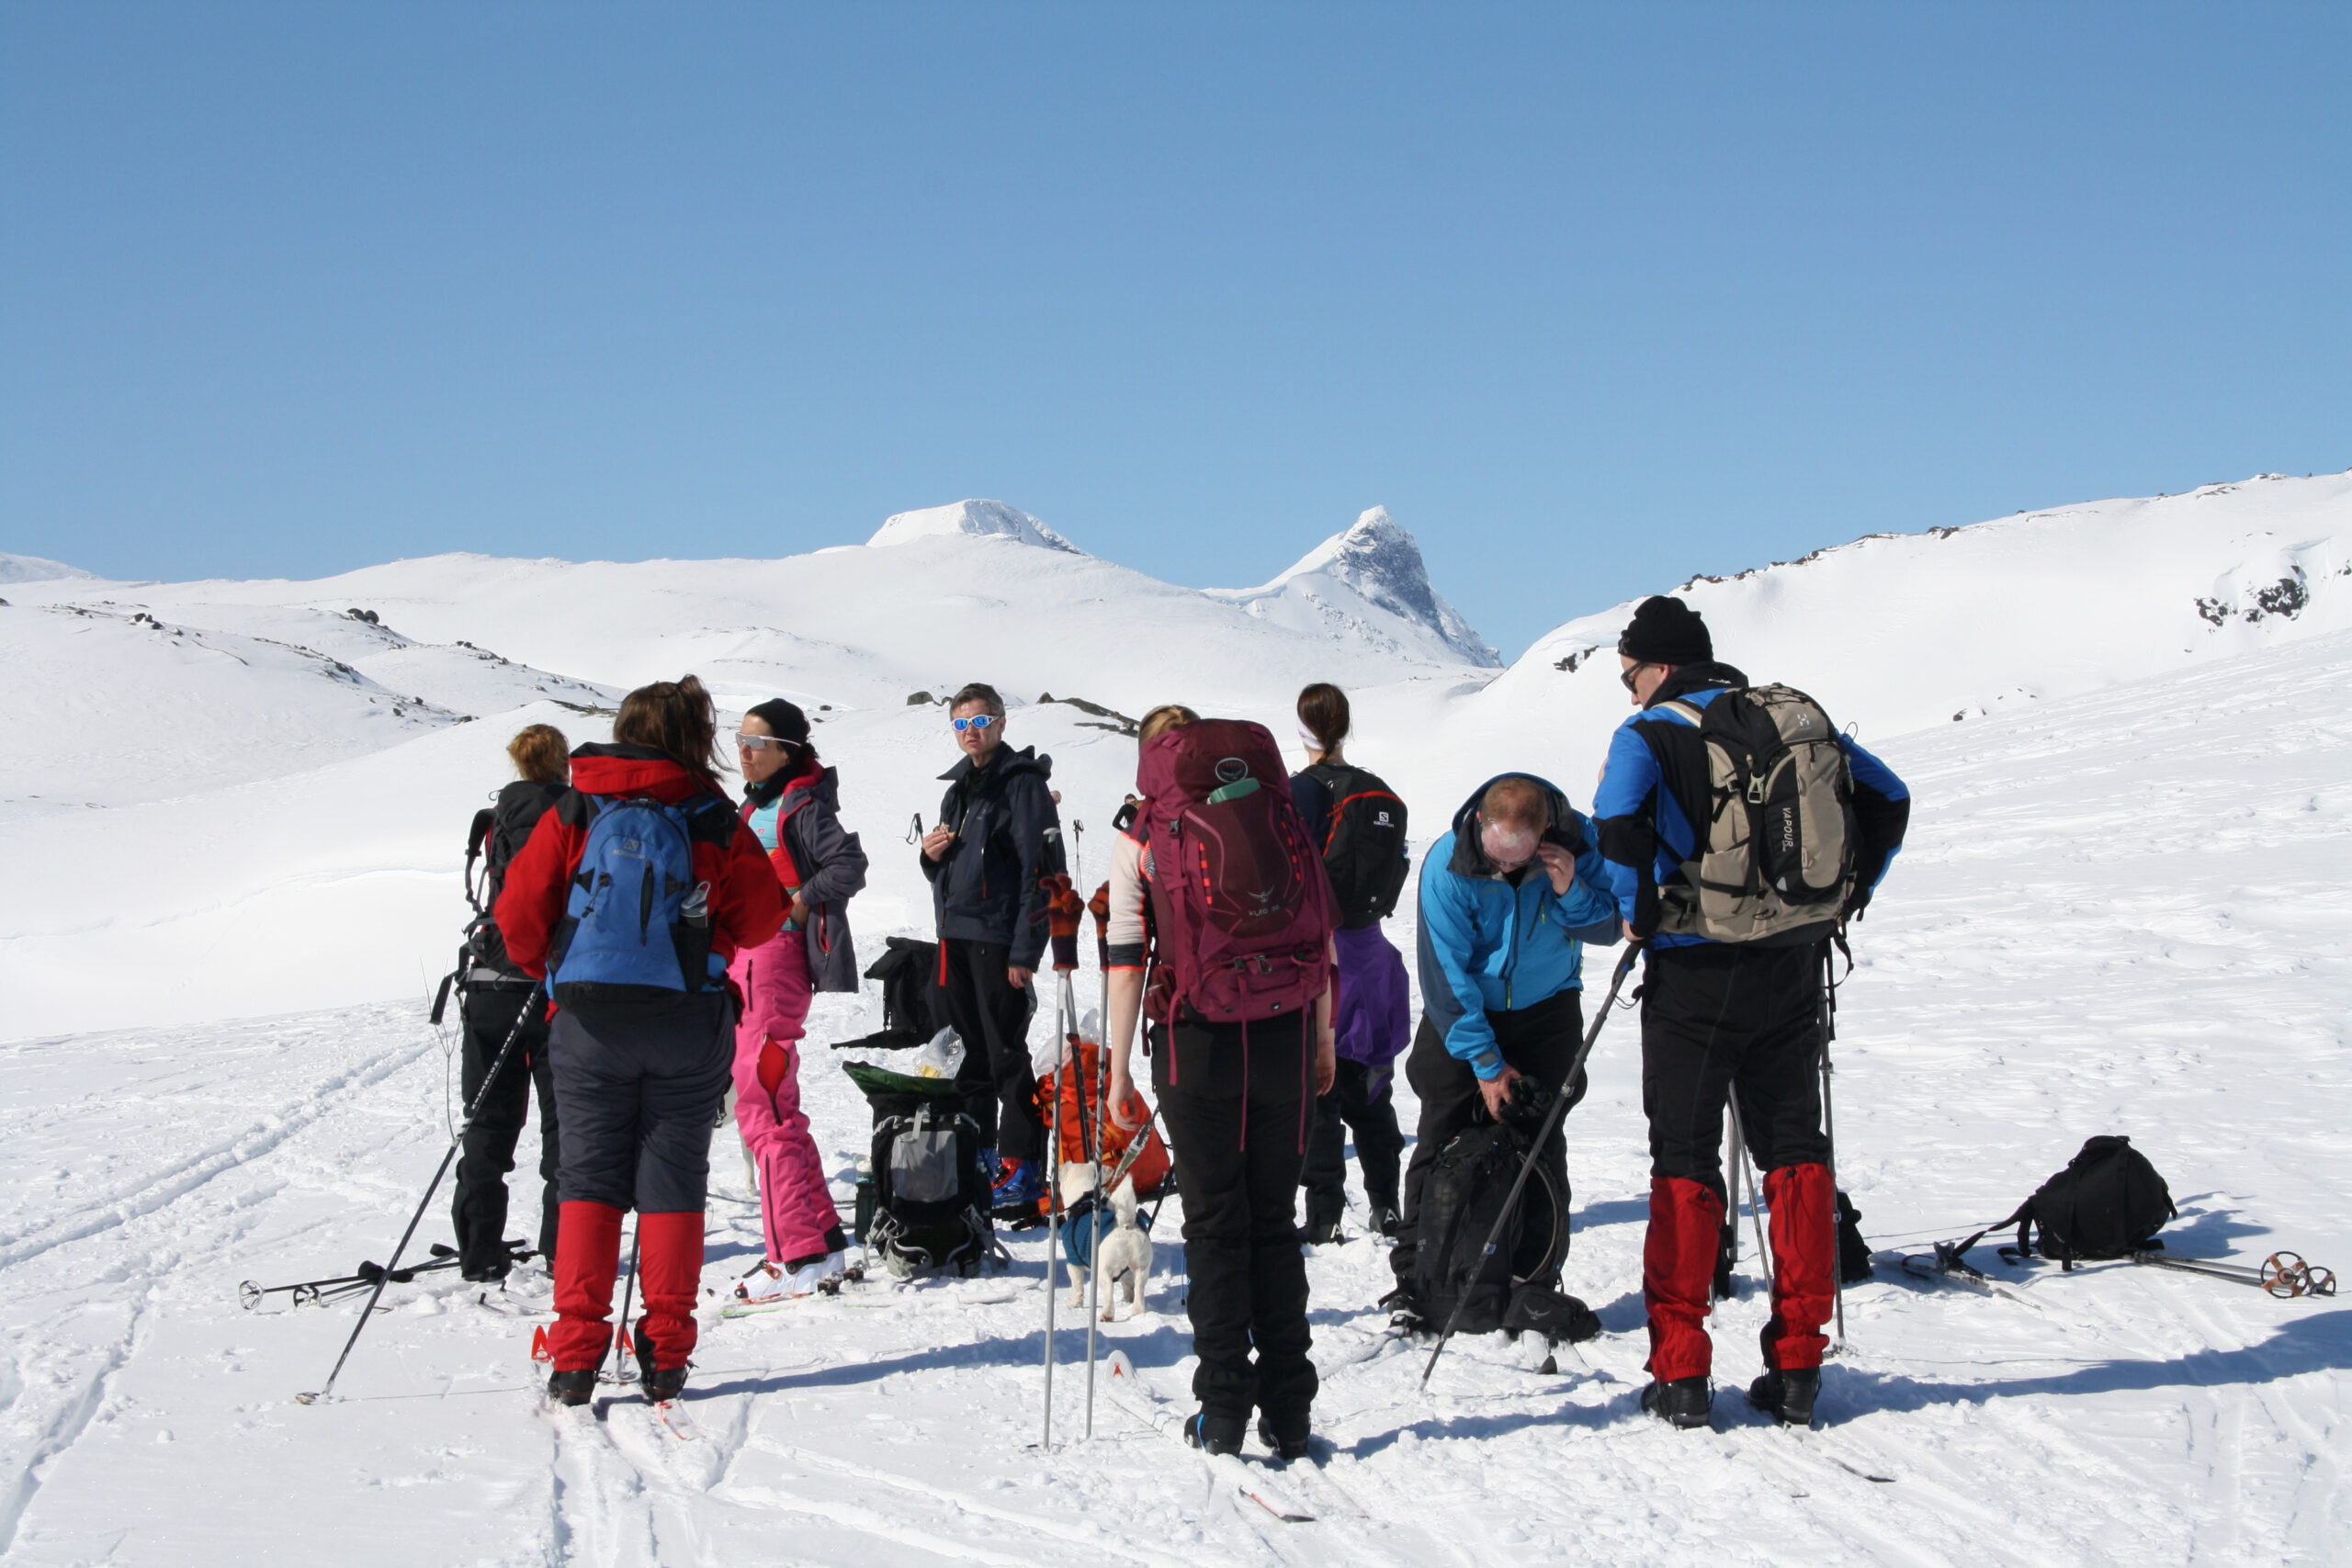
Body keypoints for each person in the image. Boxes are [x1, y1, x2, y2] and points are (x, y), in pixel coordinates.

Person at [1591, 595, 1910, 1429]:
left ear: (1658, 666)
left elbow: (1615, 823)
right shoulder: (1786, 719)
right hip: (1792, 967)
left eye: (1630, 675)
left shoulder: (1649, 732)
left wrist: (1640, 911)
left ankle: (1682, 1373)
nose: (1629, 693)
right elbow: (1889, 797)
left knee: (1686, 1162)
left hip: (1694, 976)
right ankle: (1800, 1363)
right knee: (1796, 1154)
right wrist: (1843, 898)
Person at [495, 676, 786, 1406]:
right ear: (693, 736)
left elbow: (520, 918)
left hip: (589, 1025)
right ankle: (666, 1352)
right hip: (688, 1021)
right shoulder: (712, 813)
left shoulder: (576, 803)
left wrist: (563, 971)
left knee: (587, 1180)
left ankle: (574, 1355)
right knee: (673, 1183)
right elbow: (759, 919)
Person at [1105, 704, 1338, 1459]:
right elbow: (1318, 927)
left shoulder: (1141, 832)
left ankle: (1224, 1412)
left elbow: (1125, 953)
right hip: (1288, 1031)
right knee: (1273, 1220)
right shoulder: (1274, 808)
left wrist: (1115, 1070)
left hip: (1194, 1041)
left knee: (1213, 1223)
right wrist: (1323, 1034)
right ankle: (1292, 1414)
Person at [1382, 773, 1622, 1337]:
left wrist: (1570, 892)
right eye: (1498, 857)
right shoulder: (1449, 863)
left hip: (1547, 1010)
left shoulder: (1579, 847)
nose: (1508, 870)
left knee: (1541, 1141)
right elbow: (1445, 974)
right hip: (1463, 1015)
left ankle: (1533, 1275)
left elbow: (1612, 926)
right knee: (1440, 1137)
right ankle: (1419, 1281)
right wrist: (1487, 1065)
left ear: (1545, 831)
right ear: (1480, 825)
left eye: (1522, 860)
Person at [728, 698, 869, 1303]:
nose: (745, 750)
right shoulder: (753, 804)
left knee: (762, 1099)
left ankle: (795, 1256)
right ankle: (823, 1237)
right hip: (747, 957)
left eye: (757, 741)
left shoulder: (800, 803)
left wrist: (801, 902)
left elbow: (849, 864)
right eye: (739, 739)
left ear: (787, 749)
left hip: (776, 958)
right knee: (774, 1096)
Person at [919, 682, 1062, 1214]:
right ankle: (979, 1158)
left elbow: (1042, 872)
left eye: (980, 721)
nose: (970, 732)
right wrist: (931, 860)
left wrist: (1026, 951)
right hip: (955, 936)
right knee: (965, 1057)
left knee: (1005, 1054)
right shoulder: (956, 792)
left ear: (1002, 723)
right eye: (960, 724)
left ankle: (1021, 1168)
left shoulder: (1022, 786)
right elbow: (953, 867)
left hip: (999, 941)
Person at [1287, 682, 1410, 1243]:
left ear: (1303, 729)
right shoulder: (1376, 791)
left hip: (1319, 956)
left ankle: (1324, 1211)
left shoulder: (1299, 793)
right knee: (1373, 1087)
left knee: (1319, 1092)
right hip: (1372, 954)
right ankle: (1386, 1202)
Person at [449, 723, 570, 1283]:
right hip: (555, 987)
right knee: (565, 1124)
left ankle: (478, 1248)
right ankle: (564, 1250)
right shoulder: (578, 814)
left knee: (487, 1120)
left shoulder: (495, 818)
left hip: (490, 979)